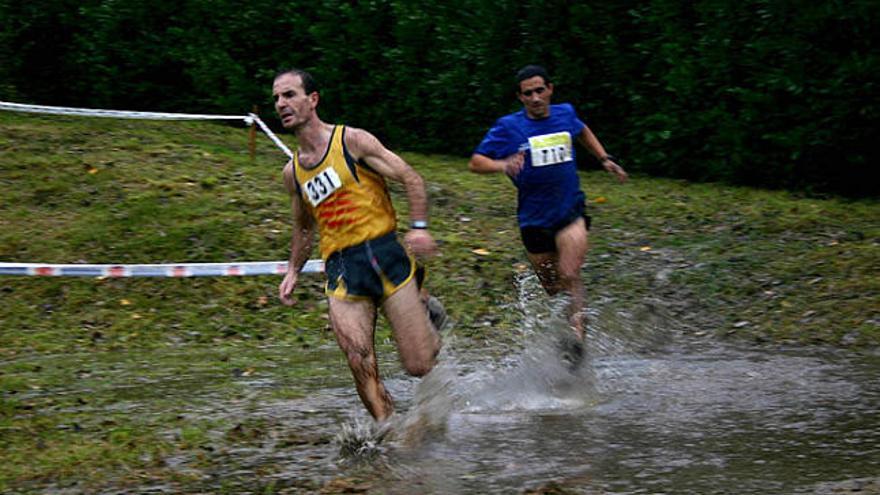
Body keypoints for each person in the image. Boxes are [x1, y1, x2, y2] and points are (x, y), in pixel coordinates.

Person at [273, 68, 444, 421]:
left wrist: (419, 227)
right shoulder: (293, 173)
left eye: (289, 95)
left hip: (385, 255)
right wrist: (293, 270)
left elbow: (410, 176)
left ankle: (426, 310)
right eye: (276, 98)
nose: (281, 104)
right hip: (342, 269)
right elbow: (304, 226)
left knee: (419, 365)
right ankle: (387, 432)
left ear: (313, 99)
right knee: (357, 358)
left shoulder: (352, 141)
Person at [469, 65, 627, 351]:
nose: (535, 98)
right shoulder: (508, 127)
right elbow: (476, 162)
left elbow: (582, 130)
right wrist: (502, 164)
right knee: (555, 288)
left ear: (550, 89)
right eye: (528, 93)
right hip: (533, 218)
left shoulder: (565, 113)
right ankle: (570, 330)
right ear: (520, 97)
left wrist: (604, 158)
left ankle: (576, 339)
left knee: (570, 273)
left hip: (569, 211)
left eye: (540, 90)